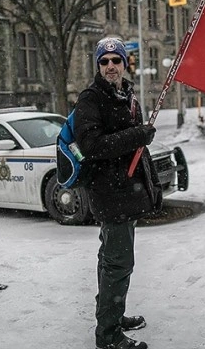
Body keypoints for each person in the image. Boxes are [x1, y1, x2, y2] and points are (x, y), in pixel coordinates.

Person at [73, 37, 162, 349]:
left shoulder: (126, 94)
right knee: (118, 262)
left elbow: (135, 149)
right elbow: (92, 145)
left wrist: (152, 184)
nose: (110, 66)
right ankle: (108, 335)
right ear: (98, 65)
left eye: (116, 60)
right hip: (109, 194)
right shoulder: (91, 98)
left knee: (109, 258)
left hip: (125, 191)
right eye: (104, 61)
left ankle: (112, 313)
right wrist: (138, 134)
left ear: (125, 64)